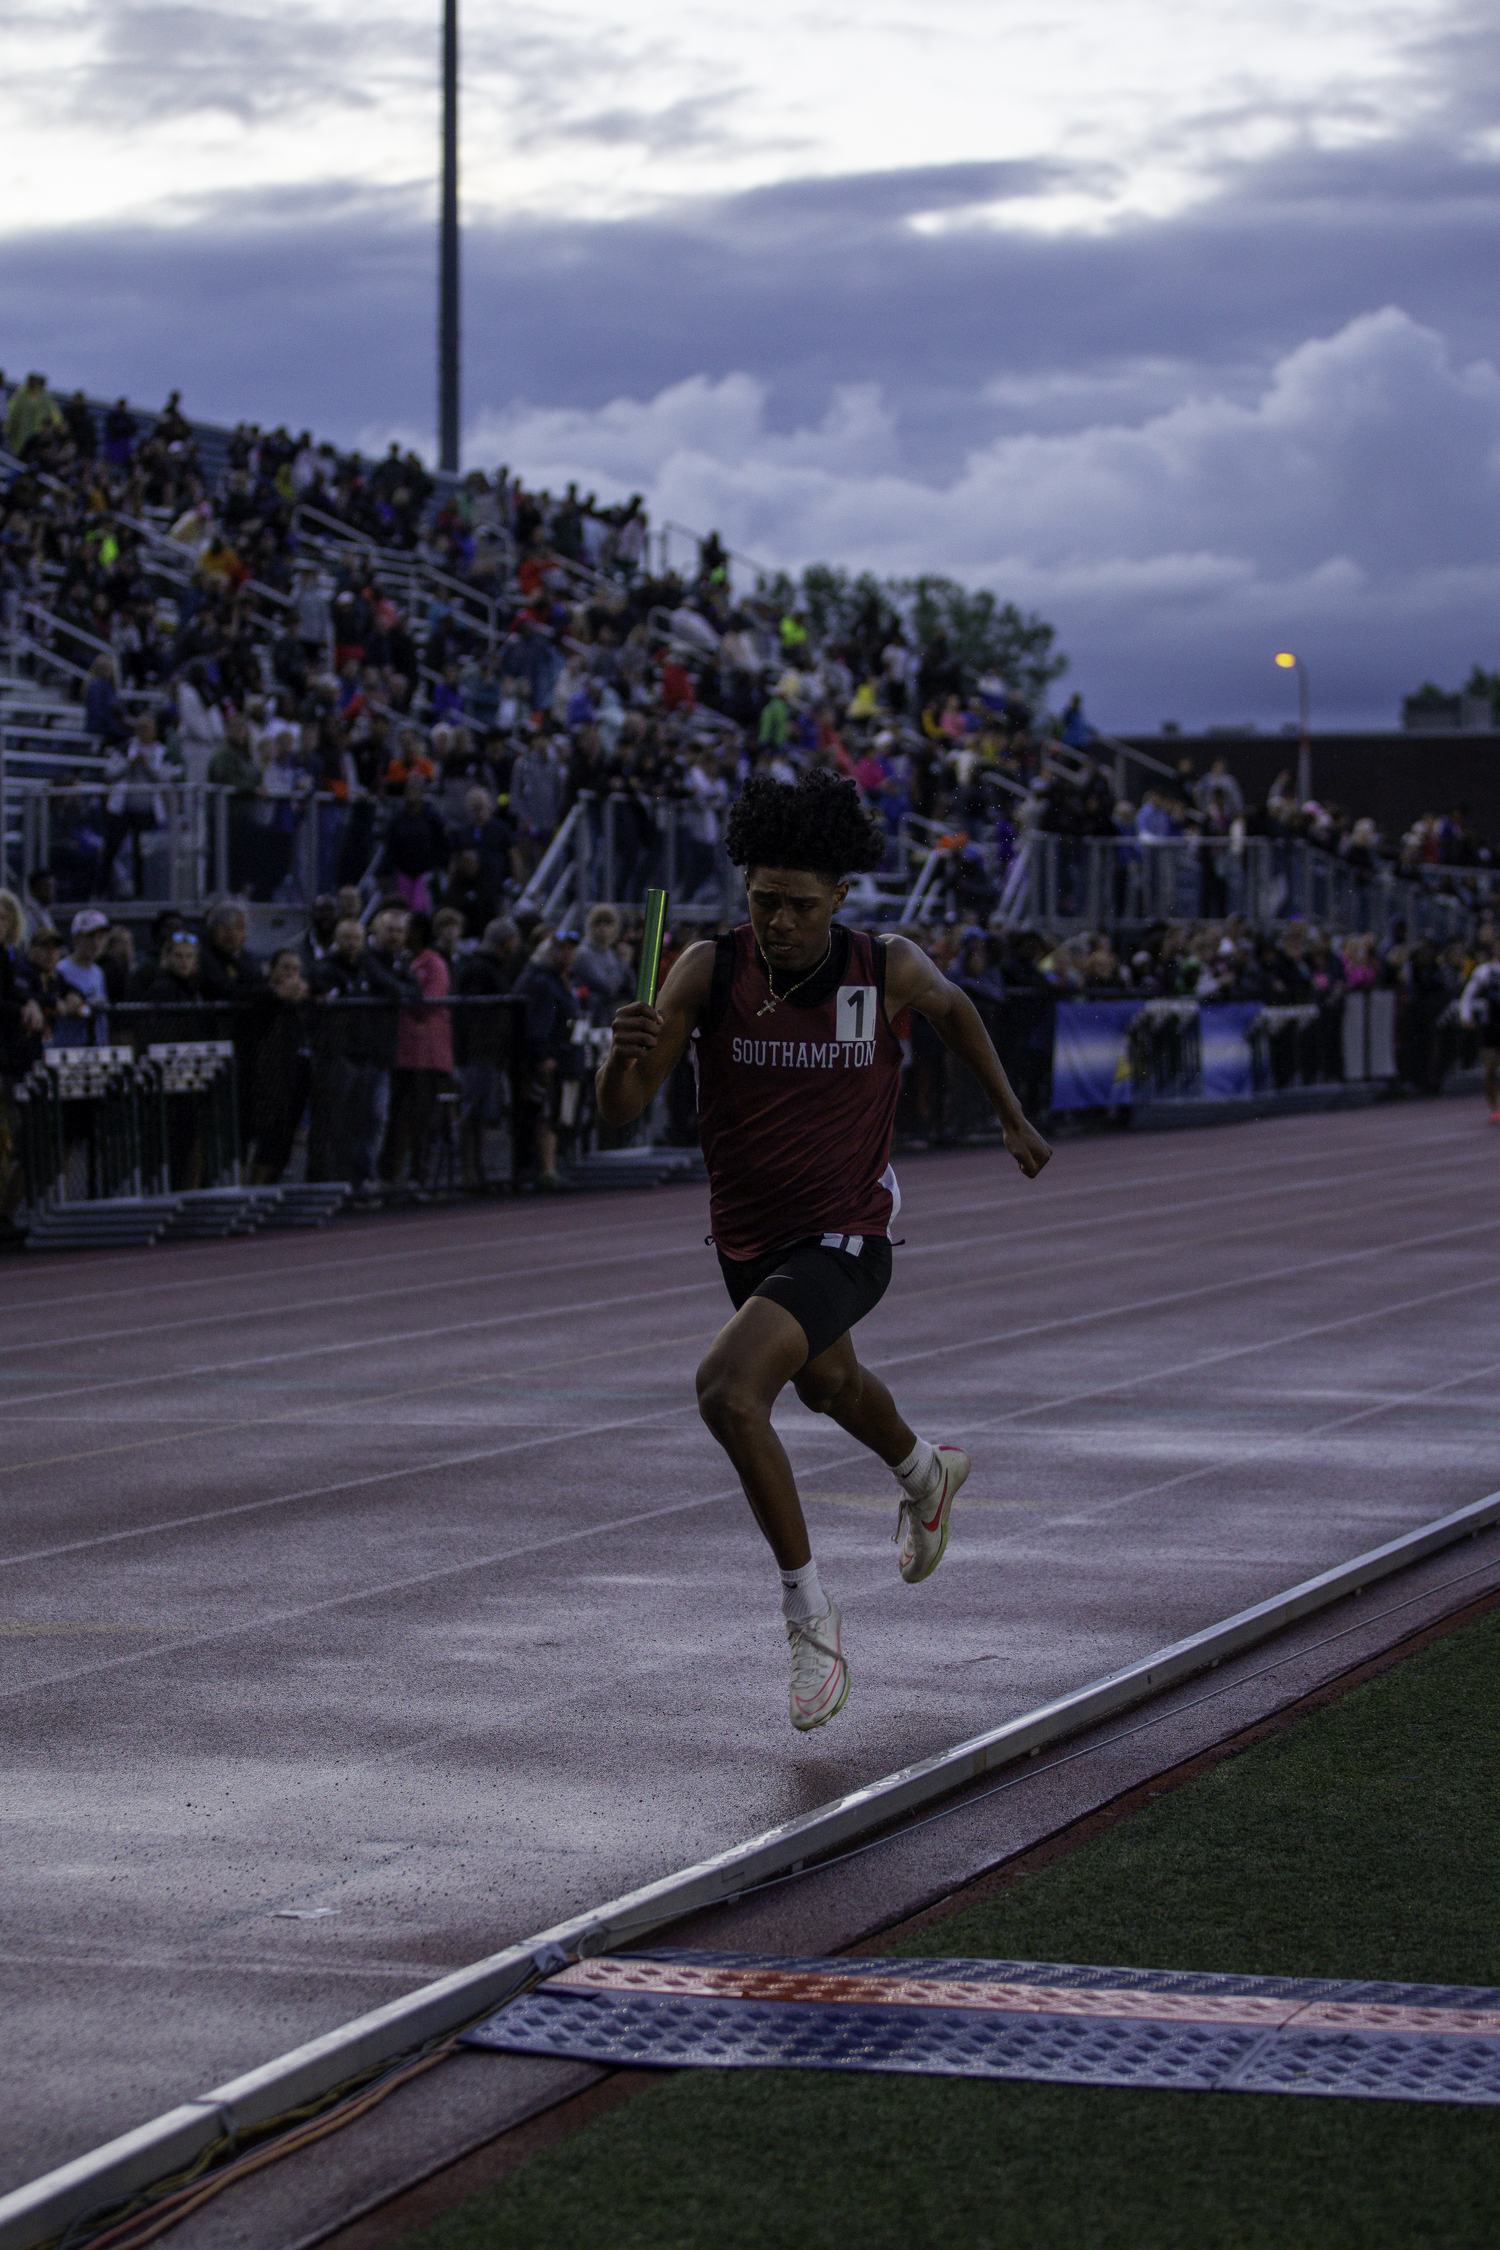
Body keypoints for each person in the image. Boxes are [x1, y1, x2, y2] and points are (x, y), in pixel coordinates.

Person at [596, 772, 1051, 1731]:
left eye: (802, 905)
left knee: (728, 1388)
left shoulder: (879, 965)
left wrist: (1010, 1117)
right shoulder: (705, 971)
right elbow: (621, 1113)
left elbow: (958, 1010)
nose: (781, 922)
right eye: (765, 901)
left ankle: (810, 1616)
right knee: (828, 1387)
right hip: (747, 1238)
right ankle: (926, 1470)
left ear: (840, 897)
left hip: (851, 1231)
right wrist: (617, 1053)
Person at [1459, 944, 1500, 1124]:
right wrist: (1466, 1015)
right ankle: (1494, 1108)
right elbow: (1468, 995)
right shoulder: (1484, 971)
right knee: (1490, 1067)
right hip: (1491, 1025)